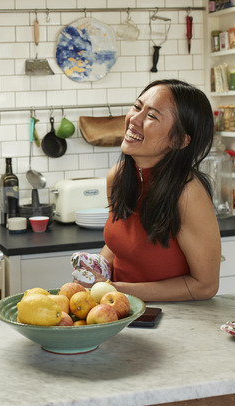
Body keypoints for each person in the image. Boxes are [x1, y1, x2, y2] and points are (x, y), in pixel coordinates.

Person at [76, 79, 221, 302]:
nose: (134, 119)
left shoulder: (187, 194)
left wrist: (114, 289)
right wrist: (98, 267)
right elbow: (120, 244)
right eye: (137, 106)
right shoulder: (119, 176)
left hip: (171, 319)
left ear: (179, 140)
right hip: (116, 311)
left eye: (151, 116)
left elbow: (205, 286)